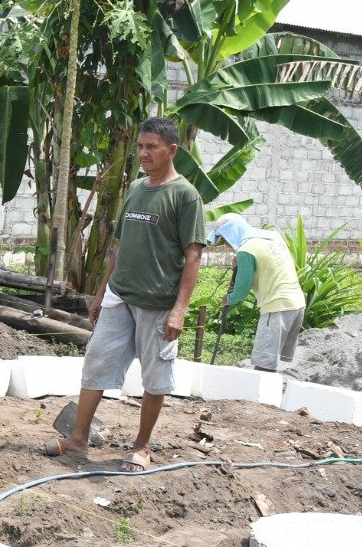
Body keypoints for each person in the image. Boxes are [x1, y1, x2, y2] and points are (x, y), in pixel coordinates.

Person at [44, 117, 205, 472]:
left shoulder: (185, 196)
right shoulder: (135, 188)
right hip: (121, 297)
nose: (144, 153)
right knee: (96, 362)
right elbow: (119, 247)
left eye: (152, 147)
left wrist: (180, 309)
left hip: (158, 302)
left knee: (154, 376)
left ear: (171, 150)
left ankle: (142, 447)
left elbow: (193, 256)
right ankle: (78, 439)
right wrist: (102, 292)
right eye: (141, 147)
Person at [207, 213, 306, 372]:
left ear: (231, 233)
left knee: (264, 365)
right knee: (277, 363)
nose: (226, 246)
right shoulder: (272, 236)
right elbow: (268, 265)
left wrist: (229, 299)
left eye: (225, 240)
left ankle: (261, 397)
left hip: (276, 307)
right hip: (297, 304)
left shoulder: (246, 250)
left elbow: (241, 290)